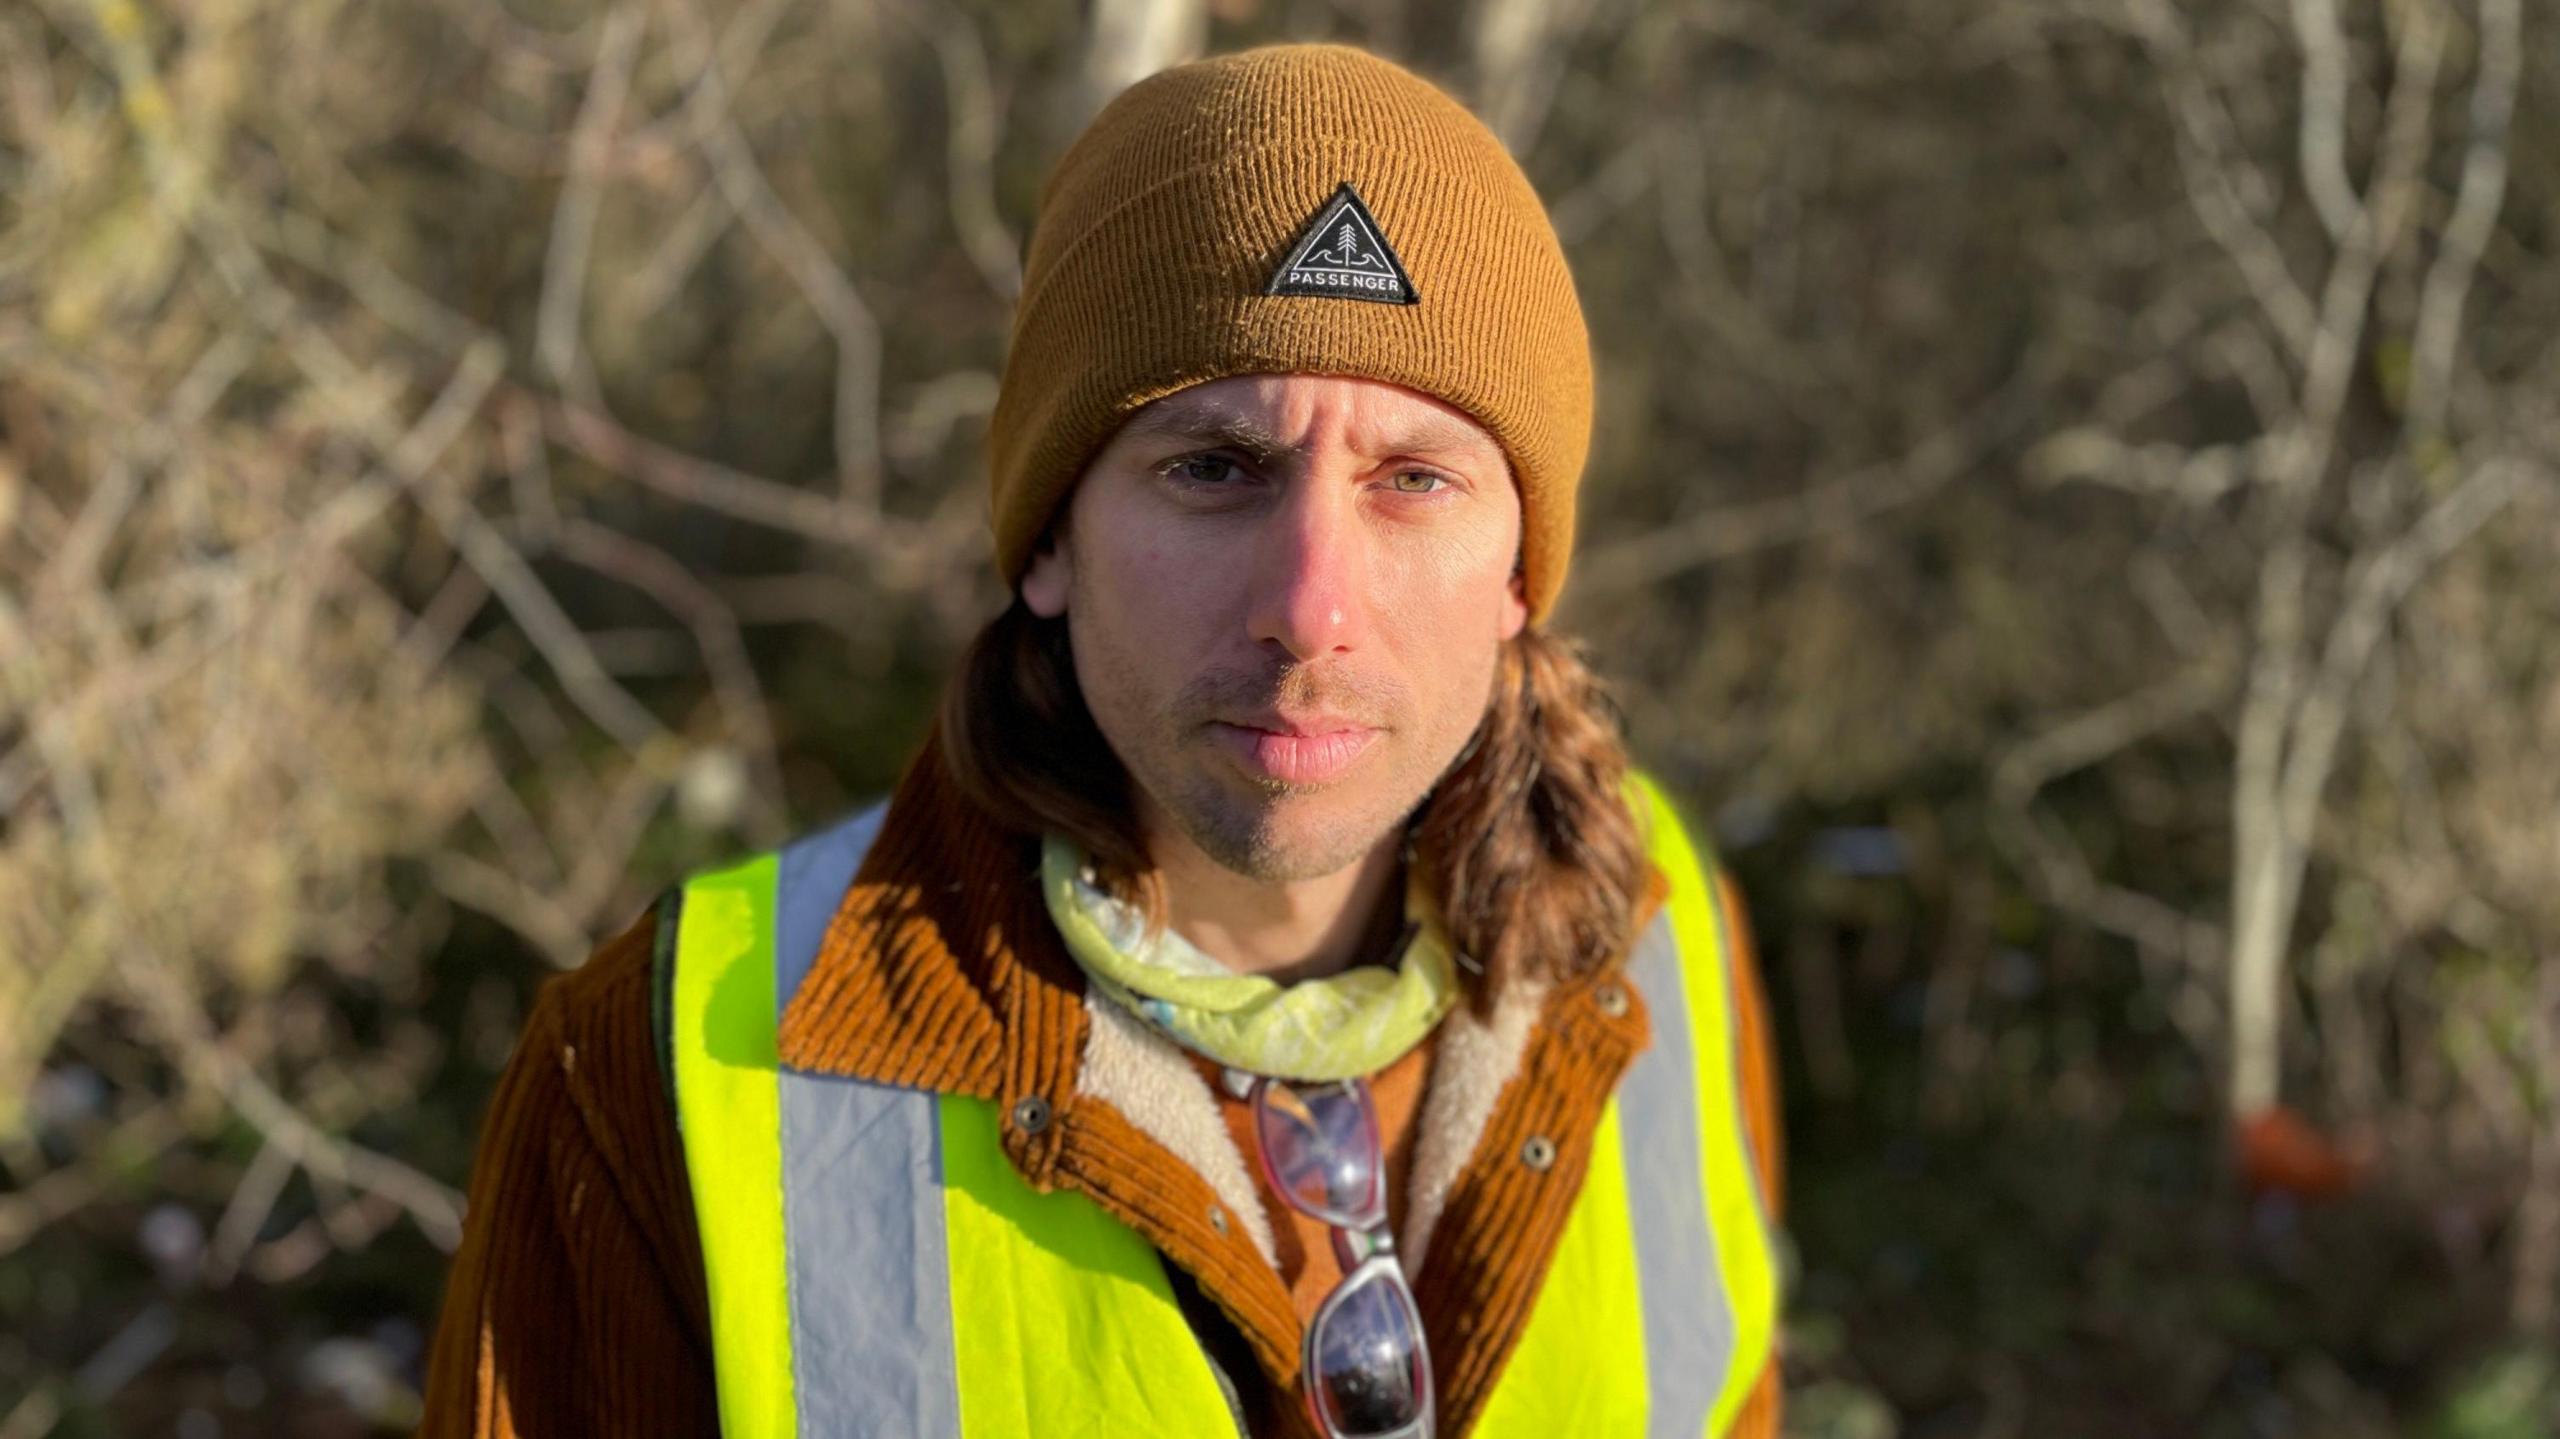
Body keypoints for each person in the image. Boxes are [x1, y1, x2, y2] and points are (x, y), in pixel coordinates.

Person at [420, 41, 1784, 1439]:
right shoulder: (651, 1076)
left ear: (1519, 570)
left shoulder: (1653, 946)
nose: (1311, 611)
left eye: (1416, 480)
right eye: (1213, 470)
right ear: (1052, 537)